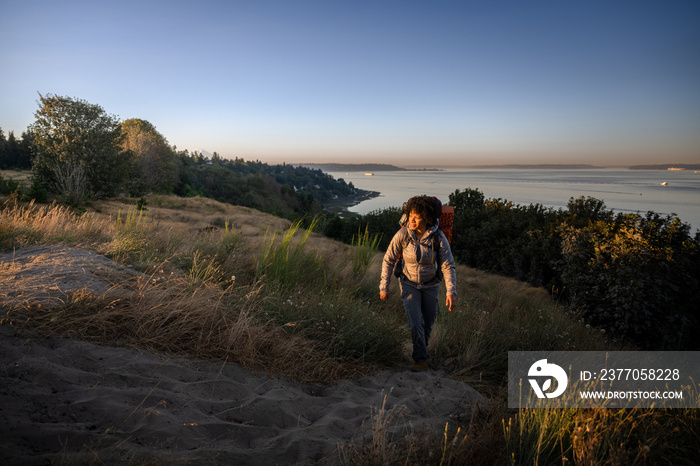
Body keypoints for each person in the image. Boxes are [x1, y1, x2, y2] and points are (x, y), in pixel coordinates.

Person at [379, 195, 457, 371]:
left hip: (431, 286)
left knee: (428, 324)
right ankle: (420, 360)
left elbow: (447, 264)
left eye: (417, 216)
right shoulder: (402, 235)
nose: (411, 219)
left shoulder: (438, 237)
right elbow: (388, 260)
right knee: (415, 323)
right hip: (408, 284)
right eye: (410, 214)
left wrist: (451, 291)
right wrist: (384, 286)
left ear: (427, 218)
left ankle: (421, 351)